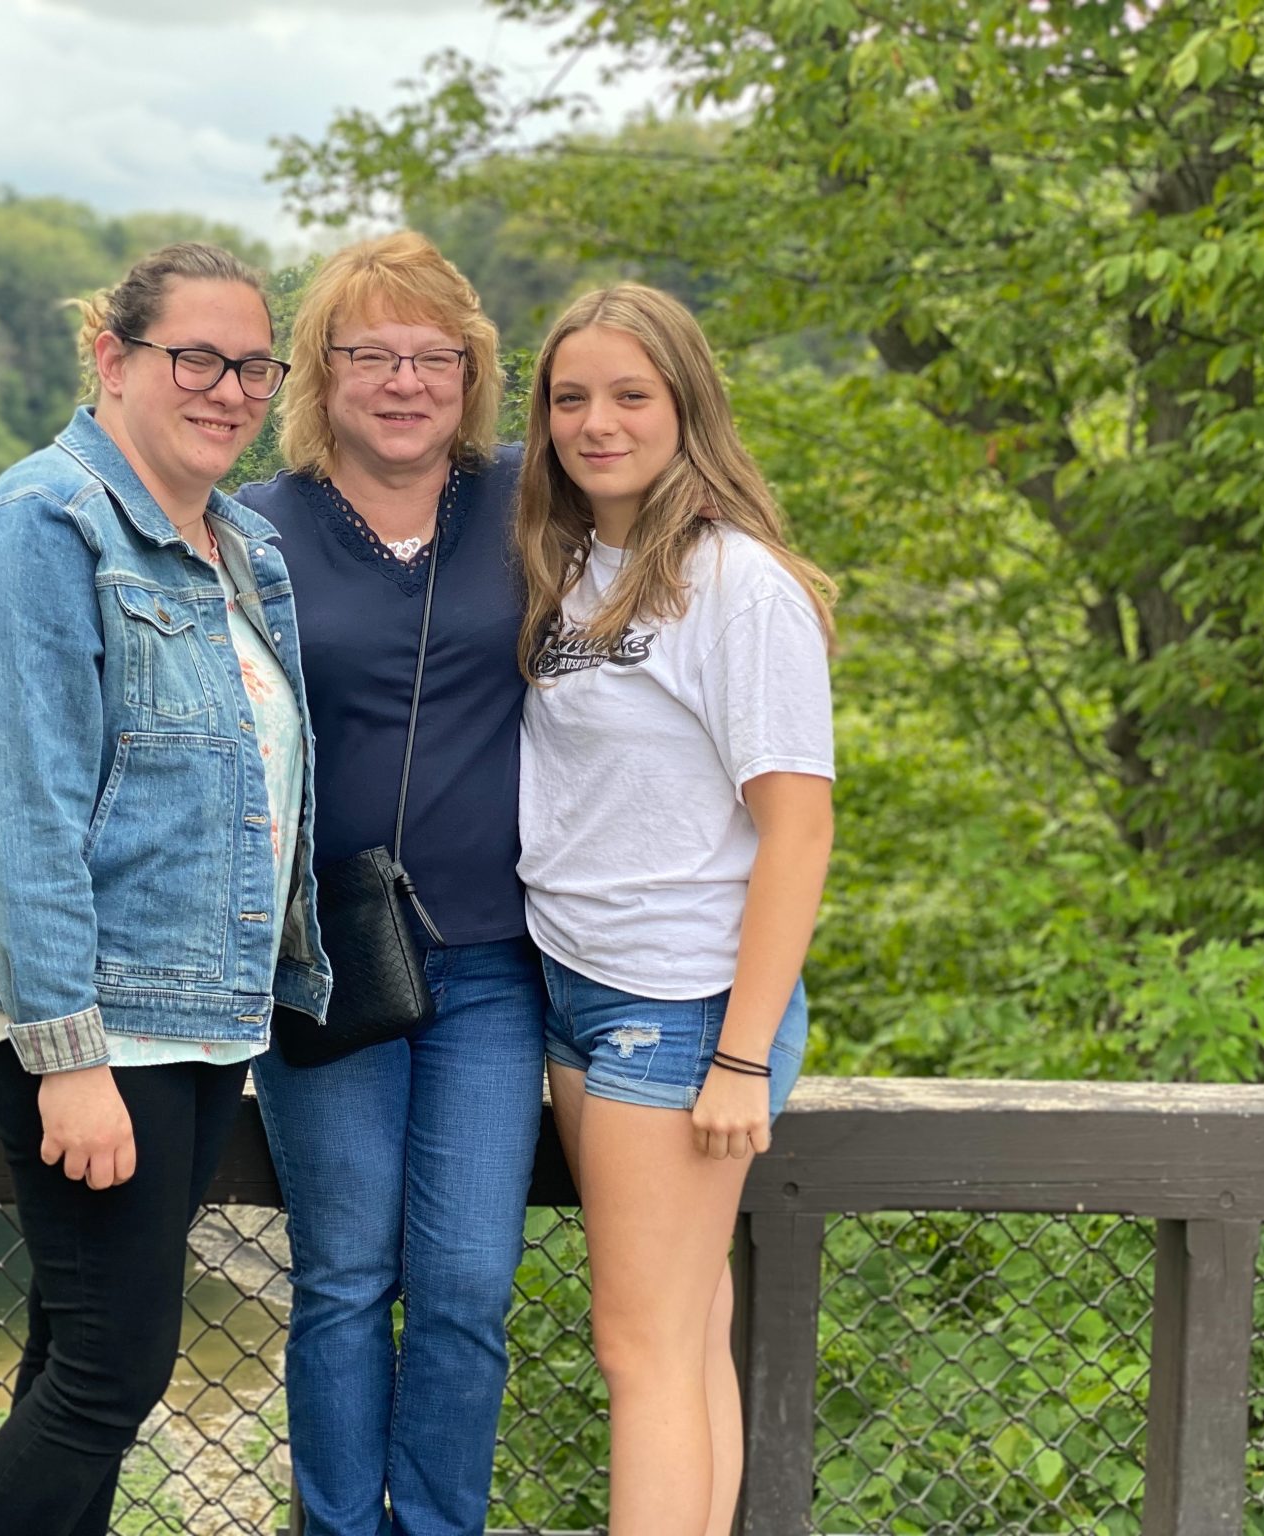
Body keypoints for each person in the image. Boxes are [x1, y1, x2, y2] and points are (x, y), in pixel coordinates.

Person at [0, 242, 331, 1536]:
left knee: (71, 1355)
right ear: (113, 358)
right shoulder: (42, 529)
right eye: (194, 358)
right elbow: (17, 815)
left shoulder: (237, 545)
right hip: (88, 1026)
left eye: (252, 366)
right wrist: (68, 1057)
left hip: (191, 1019)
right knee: (111, 1369)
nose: (228, 390)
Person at [234, 232, 545, 1536]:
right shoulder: (254, 527)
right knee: (347, 1277)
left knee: (466, 1284)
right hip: (323, 960)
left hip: (492, 961)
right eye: (372, 354)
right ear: (322, 371)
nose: (405, 382)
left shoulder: (531, 500)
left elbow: (674, 489)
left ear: (472, 374)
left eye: (434, 356)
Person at [514, 284, 836, 1535]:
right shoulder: (568, 563)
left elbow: (797, 829)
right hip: (575, 986)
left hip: (684, 1002)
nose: (595, 423)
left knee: (636, 1348)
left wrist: (742, 1055)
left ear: (685, 403)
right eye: (569, 397)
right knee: (686, 1331)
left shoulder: (734, 584)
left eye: (628, 395)